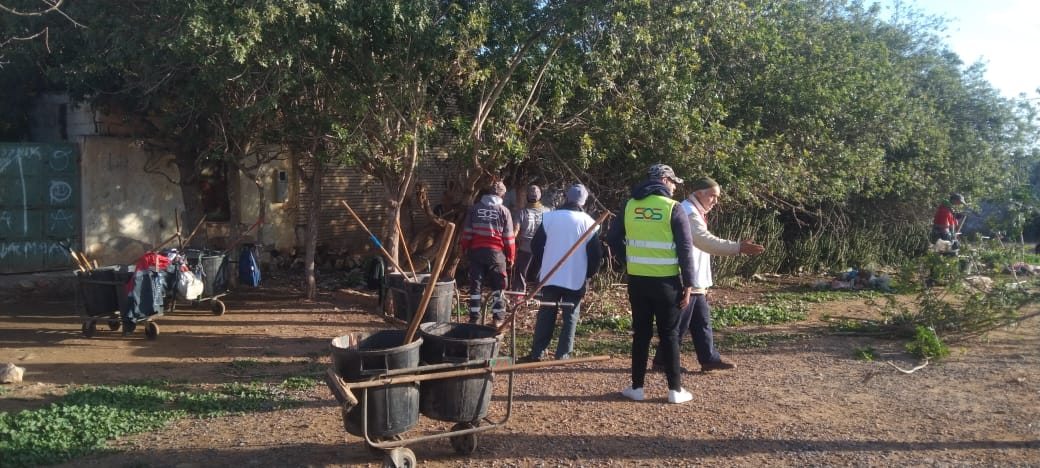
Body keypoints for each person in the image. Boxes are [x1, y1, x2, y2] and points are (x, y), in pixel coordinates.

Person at [651, 176, 765, 373]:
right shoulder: (688, 212)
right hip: (686, 279)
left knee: (701, 322)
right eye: (713, 196)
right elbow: (705, 241)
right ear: (699, 194)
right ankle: (663, 362)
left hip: (696, 280)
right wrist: (738, 247)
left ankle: (709, 359)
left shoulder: (694, 211)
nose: (715, 201)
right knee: (679, 324)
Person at [607, 163, 696, 404]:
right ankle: (675, 390)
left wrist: (629, 260)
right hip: (667, 282)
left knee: (641, 334)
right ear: (665, 180)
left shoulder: (630, 205)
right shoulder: (673, 208)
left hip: (638, 281)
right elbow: (685, 249)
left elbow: (612, 237)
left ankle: (637, 388)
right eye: (674, 182)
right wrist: (689, 284)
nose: (675, 187)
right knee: (669, 334)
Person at [521, 184, 601, 362]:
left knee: (546, 313)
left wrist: (546, 261)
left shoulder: (550, 218)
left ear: (566, 197)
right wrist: (588, 274)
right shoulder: (589, 223)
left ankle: (537, 353)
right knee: (570, 315)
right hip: (575, 277)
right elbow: (595, 255)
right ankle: (563, 355)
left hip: (550, 275)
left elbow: (536, 245)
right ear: (584, 201)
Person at [460, 180, 515, 327]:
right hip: (496, 254)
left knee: (476, 285)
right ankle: (498, 319)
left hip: (476, 252)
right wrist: (511, 257)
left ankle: (474, 318)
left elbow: (467, 233)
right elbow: (509, 238)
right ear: (502, 195)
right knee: (499, 286)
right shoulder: (504, 211)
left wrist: (464, 249)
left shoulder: (474, 209)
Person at [511, 185, 551, 295]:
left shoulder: (521, 212)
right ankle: (537, 296)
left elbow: (515, 231)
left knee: (520, 274)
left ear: (527, 197)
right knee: (540, 275)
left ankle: (518, 296)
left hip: (525, 248)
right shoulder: (548, 212)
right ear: (540, 196)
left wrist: (510, 245)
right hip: (542, 249)